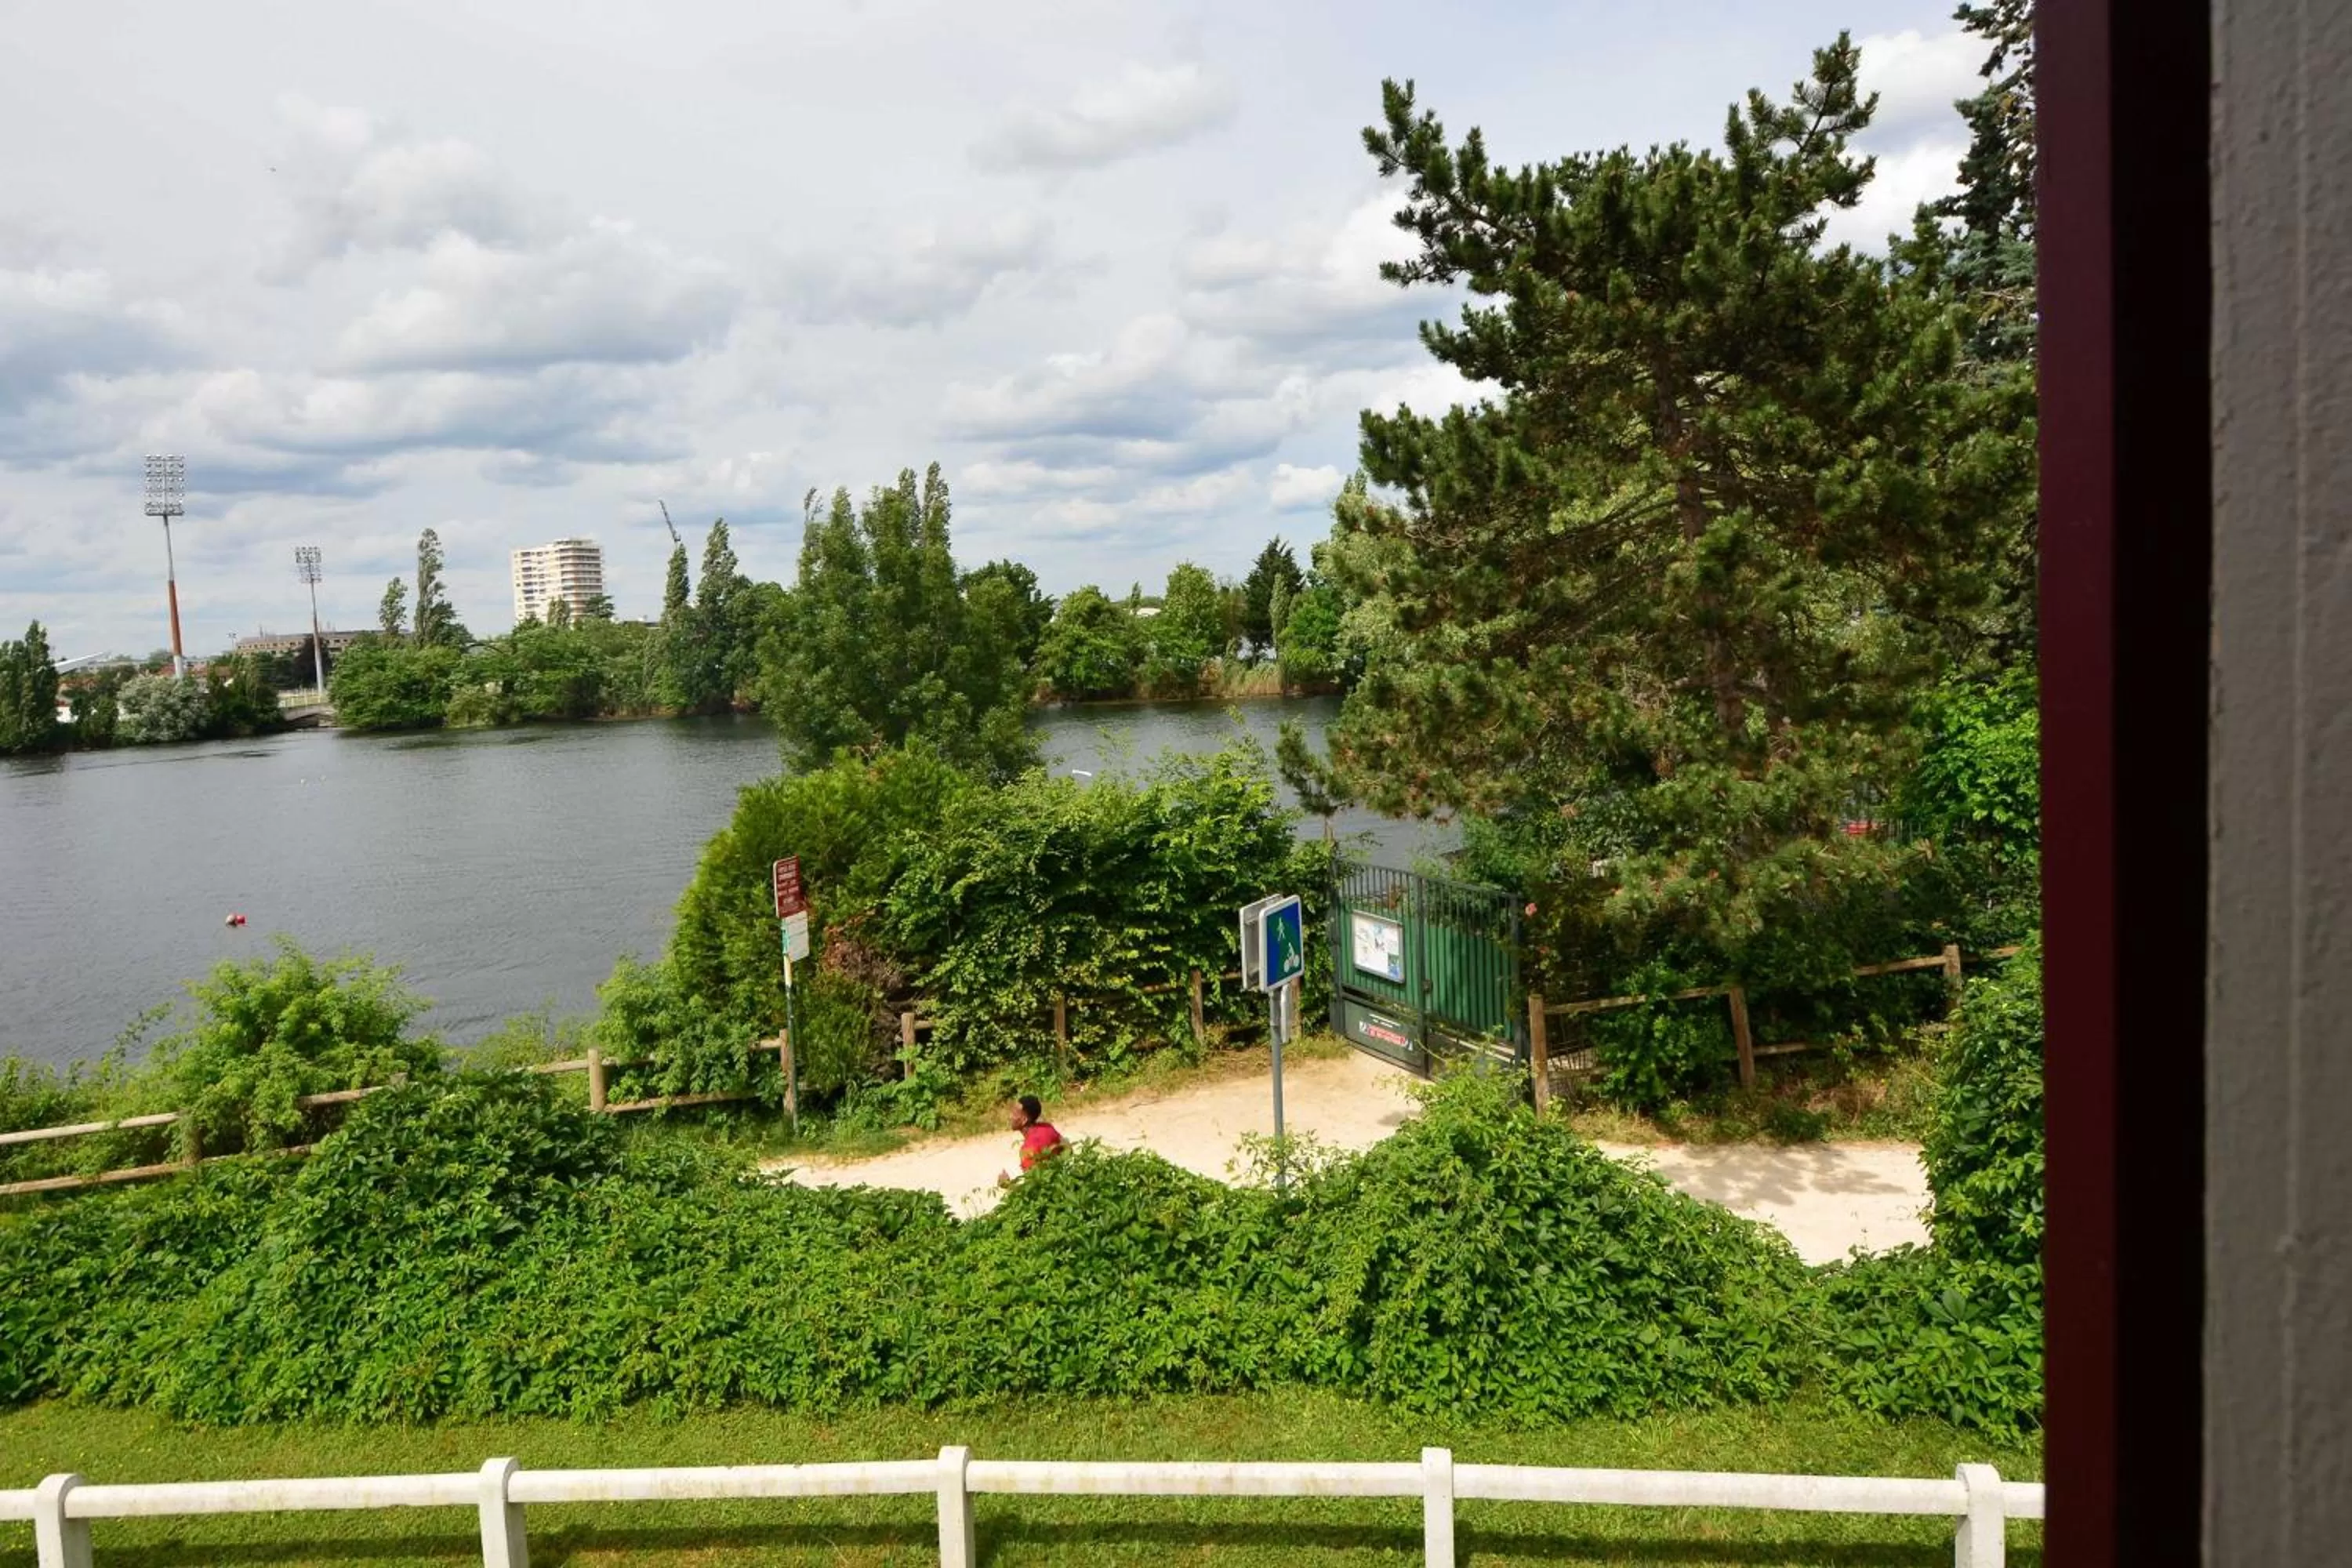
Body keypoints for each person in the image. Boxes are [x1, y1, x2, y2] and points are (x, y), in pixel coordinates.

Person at [997, 1094, 1065, 1188]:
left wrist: (1008, 1185)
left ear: (1024, 1120)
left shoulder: (1028, 1149)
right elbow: (1066, 1146)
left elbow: (1033, 1188)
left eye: (1014, 1114)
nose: (1010, 1117)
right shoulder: (1048, 1127)